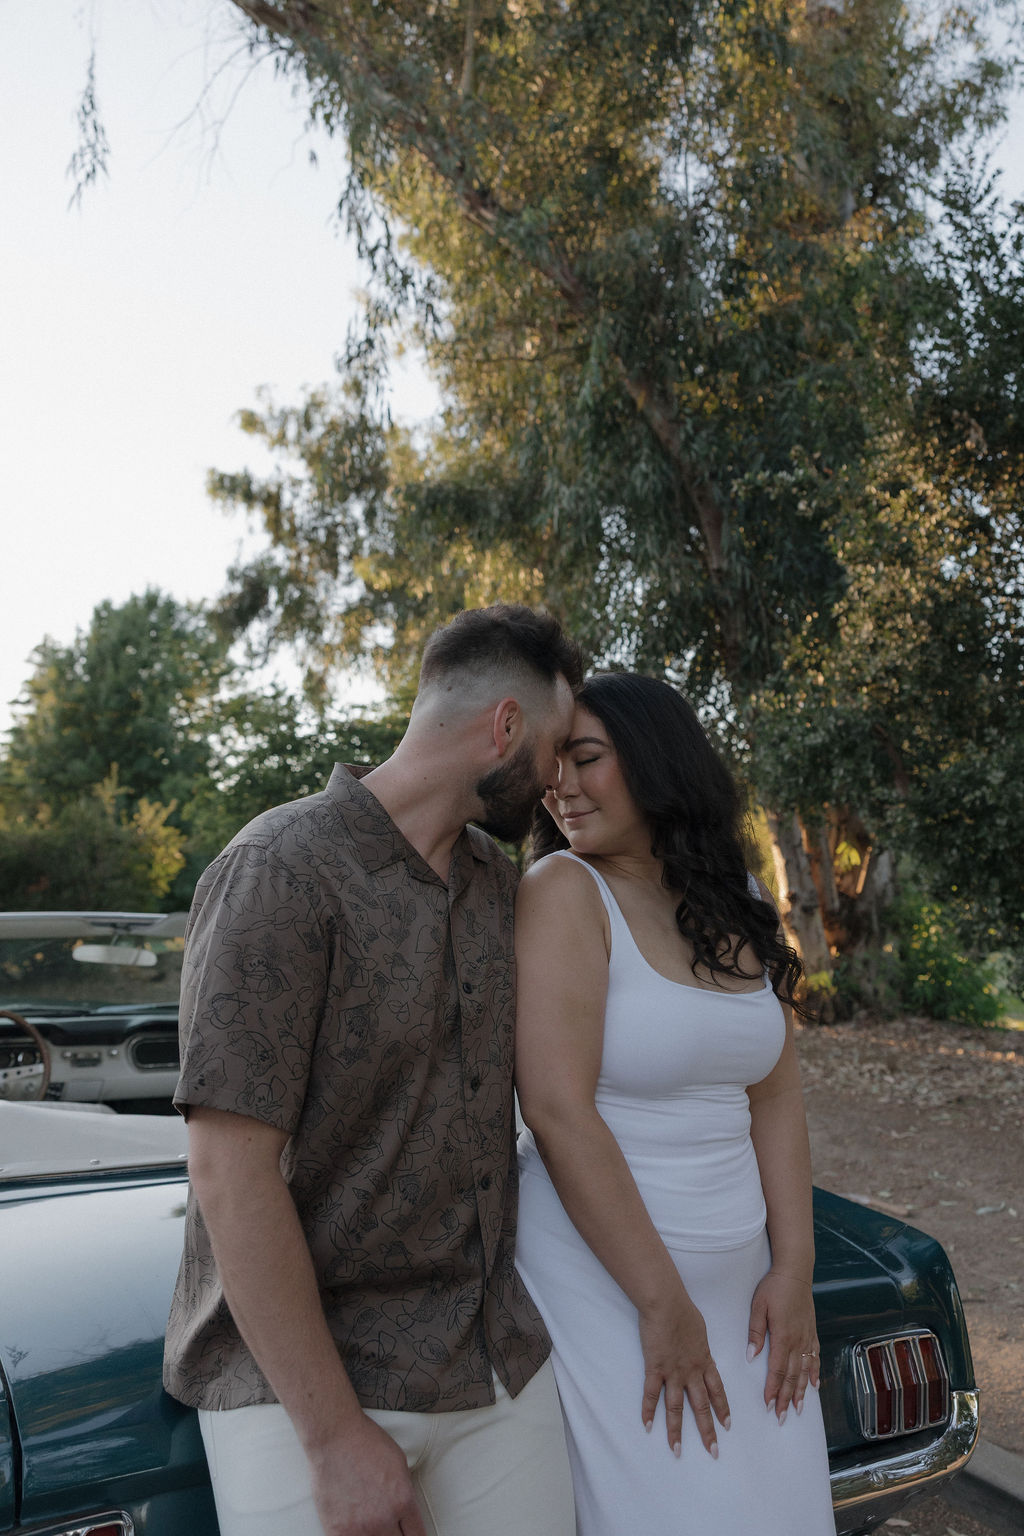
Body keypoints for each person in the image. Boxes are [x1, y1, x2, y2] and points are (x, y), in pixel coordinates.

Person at [163, 603, 581, 1536]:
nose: (557, 778)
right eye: (555, 749)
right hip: (296, 1384)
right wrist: (333, 1437)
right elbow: (229, 1173)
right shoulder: (278, 870)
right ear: (505, 727)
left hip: (489, 1363)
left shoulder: (499, 886)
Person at [513, 671, 835, 1536]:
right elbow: (556, 1111)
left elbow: (776, 1093)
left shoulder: (740, 896)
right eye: (553, 764)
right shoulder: (563, 891)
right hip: (608, 1286)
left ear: (657, 761)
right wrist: (661, 1304)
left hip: (745, 1286)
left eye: (587, 758)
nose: (561, 786)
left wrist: (793, 1270)